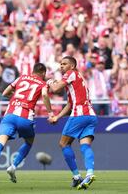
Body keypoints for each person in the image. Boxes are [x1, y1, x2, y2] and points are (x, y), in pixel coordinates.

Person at [0, 63, 53, 187]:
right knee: (29, 142)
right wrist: (50, 113)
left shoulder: (22, 78)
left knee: (0, 142)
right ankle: (13, 166)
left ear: (32, 70)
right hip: (25, 117)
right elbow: (45, 95)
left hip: (10, 115)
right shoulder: (42, 83)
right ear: (43, 73)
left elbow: (4, 93)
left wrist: (15, 98)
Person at [48, 56, 97, 190]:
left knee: (63, 143)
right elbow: (70, 104)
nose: (61, 66)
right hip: (90, 115)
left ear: (72, 66)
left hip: (79, 115)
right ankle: (90, 173)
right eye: (60, 64)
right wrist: (57, 117)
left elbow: (55, 88)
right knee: (85, 146)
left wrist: (50, 81)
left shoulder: (71, 74)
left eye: (64, 64)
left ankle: (76, 176)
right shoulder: (78, 79)